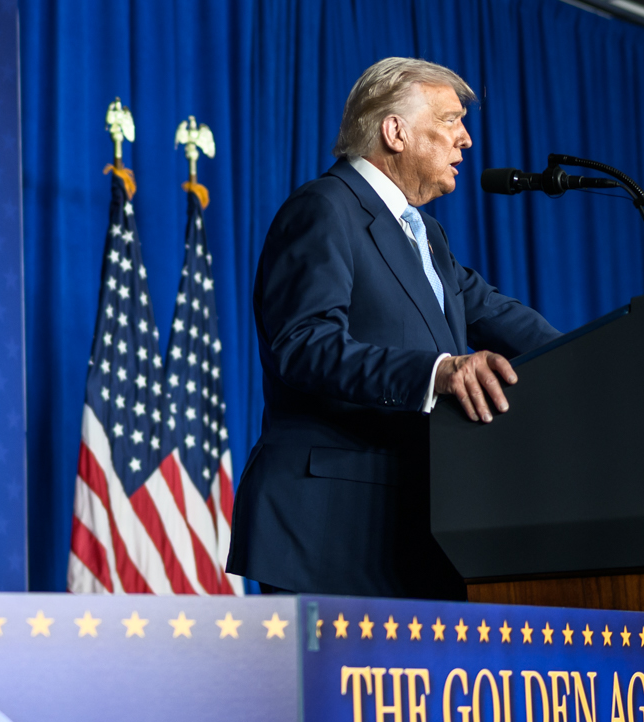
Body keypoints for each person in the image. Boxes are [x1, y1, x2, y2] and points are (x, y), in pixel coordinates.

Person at [229, 57, 557, 597]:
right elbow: (304, 344)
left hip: (408, 531)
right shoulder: (323, 208)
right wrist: (439, 372)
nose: (466, 140)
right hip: (332, 530)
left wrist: (611, 359)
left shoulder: (424, 234)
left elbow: (500, 316)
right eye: (451, 120)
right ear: (395, 131)